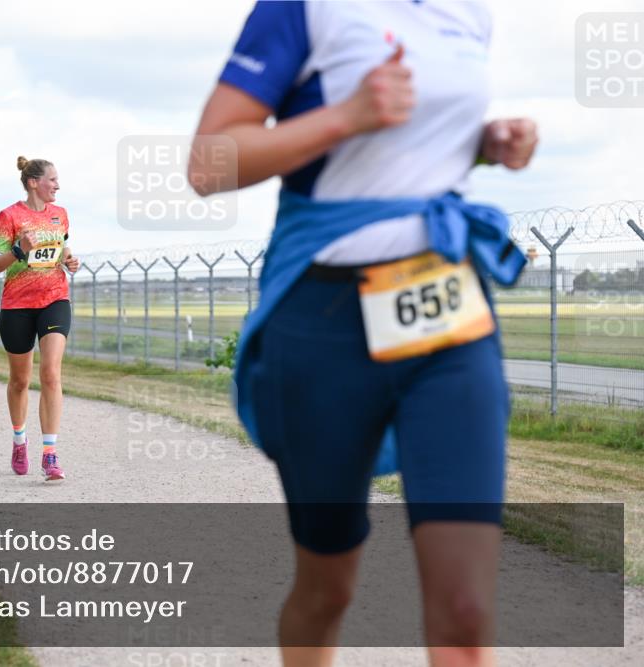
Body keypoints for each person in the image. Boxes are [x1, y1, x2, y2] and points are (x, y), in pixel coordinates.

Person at [189, 2, 536, 665]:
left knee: (466, 611)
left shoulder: (468, 13)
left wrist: (488, 142)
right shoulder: (301, 9)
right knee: (328, 588)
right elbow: (208, 165)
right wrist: (345, 116)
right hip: (324, 323)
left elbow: (411, 152)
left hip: (448, 313)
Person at [0, 156, 80, 482]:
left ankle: (50, 454)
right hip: (17, 306)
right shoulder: (9, 216)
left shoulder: (60, 214)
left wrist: (70, 261)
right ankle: (19, 440)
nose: (57, 185)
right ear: (34, 182)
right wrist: (18, 251)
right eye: (52, 179)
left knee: (51, 372)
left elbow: (62, 248)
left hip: (54, 299)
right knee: (20, 381)